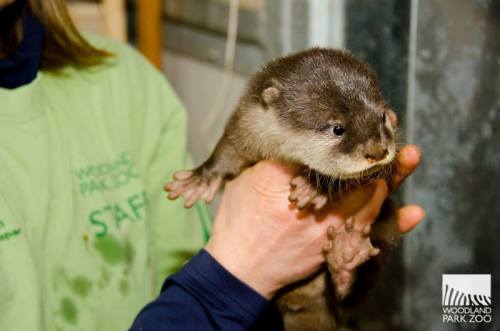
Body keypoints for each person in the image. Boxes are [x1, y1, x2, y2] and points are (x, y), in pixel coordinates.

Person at [0, 0, 425, 330]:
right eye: (336, 130)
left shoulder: (126, 77)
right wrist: (240, 267)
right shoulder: (254, 120)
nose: (377, 146)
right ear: (270, 108)